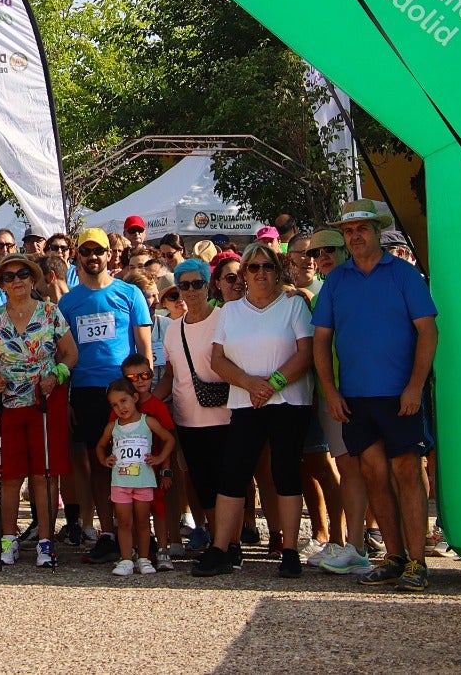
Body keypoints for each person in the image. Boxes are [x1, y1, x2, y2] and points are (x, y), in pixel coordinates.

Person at [314, 199, 439, 592]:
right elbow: (321, 340)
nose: (355, 237)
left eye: (362, 229)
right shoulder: (336, 280)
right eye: (349, 231)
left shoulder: (403, 274)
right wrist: (330, 390)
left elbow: (428, 331)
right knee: (374, 475)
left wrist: (415, 386)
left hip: (400, 394)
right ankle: (394, 557)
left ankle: (417, 562)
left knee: (407, 472)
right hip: (355, 398)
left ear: (377, 231)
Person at [193, 240, 315, 579]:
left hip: (288, 402)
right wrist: (250, 384)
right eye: (253, 267)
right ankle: (220, 548)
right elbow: (217, 359)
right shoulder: (230, 311)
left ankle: (289, 550)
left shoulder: (293, 305)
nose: (261, 273)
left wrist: (272, 383)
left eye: (267, 266)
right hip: (246, 402)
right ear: (244, 273)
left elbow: (306, 352)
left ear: (278, 271)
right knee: (233, 473)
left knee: (285, 473)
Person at [0, 252, 78, 568]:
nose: (16, 280)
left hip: (44, 402)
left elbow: (70, 354)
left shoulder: (50, 313)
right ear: (1, 284)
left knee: (44, 474)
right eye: (9, 276)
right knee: (7, 475)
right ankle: (8, 539)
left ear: (33, 279)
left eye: (22, 274)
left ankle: (46, 541)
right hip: (6, 405)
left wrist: (56, 375)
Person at [58, 228, 153, 563]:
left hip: (125, 389)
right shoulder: (68, 302)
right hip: (86, 390)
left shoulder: (130, 293)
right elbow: (62, 354)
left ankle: (142, 534)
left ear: (109, 254)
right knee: (100, 464)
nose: (93, 257)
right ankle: (109, 533)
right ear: (78, 257)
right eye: (86, 252)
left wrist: (143, 388)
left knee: (136, 461)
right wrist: (66, 399)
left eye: (98, 251)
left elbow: (144, 347)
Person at [160, 258, 230, 558]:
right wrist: (147, 402)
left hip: (226, 416)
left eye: (197, 284)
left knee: (228, 484)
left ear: (207, 285)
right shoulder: (172, 330)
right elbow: (170, 374)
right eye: (184, 285)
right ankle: (218, 543)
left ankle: (230, 544)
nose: (191, 291)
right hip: (187, 418)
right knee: (202, 483)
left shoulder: (225, 318)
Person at [96, 378, 174, 577]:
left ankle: (144, 558)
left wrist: (159, 459)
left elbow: (169, 439)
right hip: (120, 483)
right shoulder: (112, 427)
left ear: (135, 398)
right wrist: (104, 459)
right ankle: (126, 559)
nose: (120, 408)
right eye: (114, 405)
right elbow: (100, 445)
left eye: (123, 401)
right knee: (124, 522)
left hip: (143, 482)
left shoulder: (147, 421)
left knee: (142, 521)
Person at [120, 353, 178, 570]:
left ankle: (163, 549)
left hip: (153, 471)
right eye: (133, 378)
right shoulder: (122, 407)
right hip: (129, 472)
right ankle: (137, 550)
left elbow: (168, 440)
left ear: (152, 375)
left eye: (145, 375)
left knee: (159, 510)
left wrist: (165, 470)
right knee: (135, 512)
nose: (140, 381)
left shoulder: (158, 407)